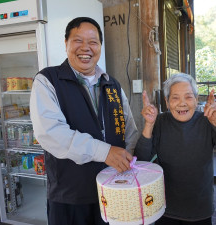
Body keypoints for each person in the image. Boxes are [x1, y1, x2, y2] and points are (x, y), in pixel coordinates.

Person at [30, 17, 138, 225]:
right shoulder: (47, 80)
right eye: (78, 40)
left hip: (111, 191)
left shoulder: (112, 84)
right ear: (66, 44)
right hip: (69, 197)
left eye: (93, 42)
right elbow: (51, 133)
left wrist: (127, 161)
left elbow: (129, 130)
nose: (86, 48)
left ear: (100, 47)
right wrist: (105, 152)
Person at [134, 73, 216, 225]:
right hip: (165, 207)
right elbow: (141, 162)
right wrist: (148, 125)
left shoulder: (207, 122)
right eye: (175, 98)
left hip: (199, 209)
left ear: (196, 99)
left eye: (188, 97)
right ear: (167, 102)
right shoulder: (160, 121)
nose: (182, 103)